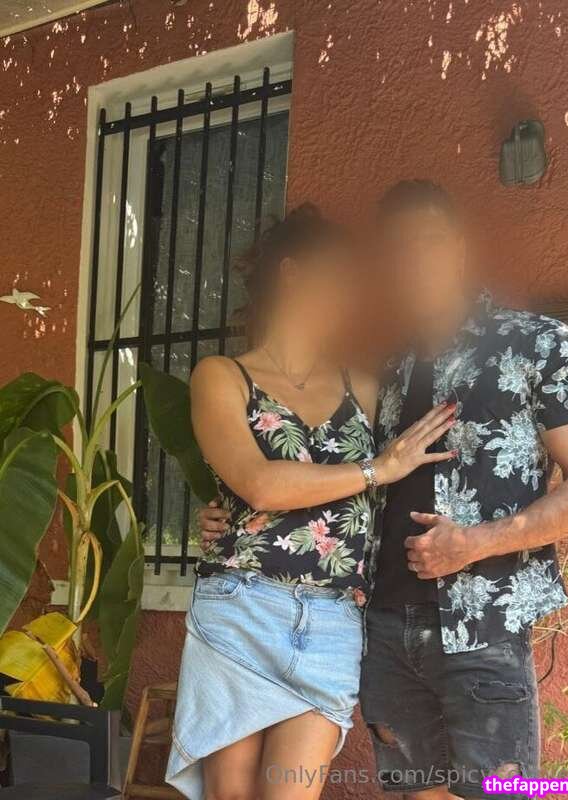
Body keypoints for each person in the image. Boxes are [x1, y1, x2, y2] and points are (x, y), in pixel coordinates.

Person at [199, 182, 568, 800]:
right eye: (398, 248)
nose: (415, 259)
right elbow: (323, 473)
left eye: (429, 241)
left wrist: (475, 543)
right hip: (385, 631)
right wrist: (229, 514)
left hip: (482, 628)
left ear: (459, 248)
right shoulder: (387, 373)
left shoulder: (535, 343)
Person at [166, 203, 458, 800]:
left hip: (332, 619)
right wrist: (376, 468)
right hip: (242, 607)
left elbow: (407, 480)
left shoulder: (364, 386)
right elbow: (259, 484)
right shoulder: (221, 376)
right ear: (293, 273)